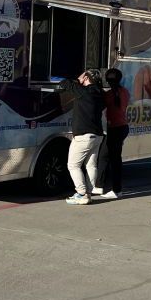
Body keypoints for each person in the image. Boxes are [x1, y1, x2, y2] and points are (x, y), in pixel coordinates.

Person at [59, 69, 105, 205]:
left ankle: (81, 193)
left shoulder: (83, 91)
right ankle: (89, 193)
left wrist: (78, 80)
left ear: (85, 78)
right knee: (91, 165)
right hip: (97, 135)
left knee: (73, 165)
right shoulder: (100, 93)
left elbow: (64, 83)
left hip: (83, 135)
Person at [93, 68, 130, 200]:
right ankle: (100, 187)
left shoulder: (108, 95)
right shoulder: (124, 92)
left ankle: (114, 189)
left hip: (115, 129)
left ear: (107, 80)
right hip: (123, 127)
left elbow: (101, 101)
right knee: (110, 157)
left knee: (108, 158)